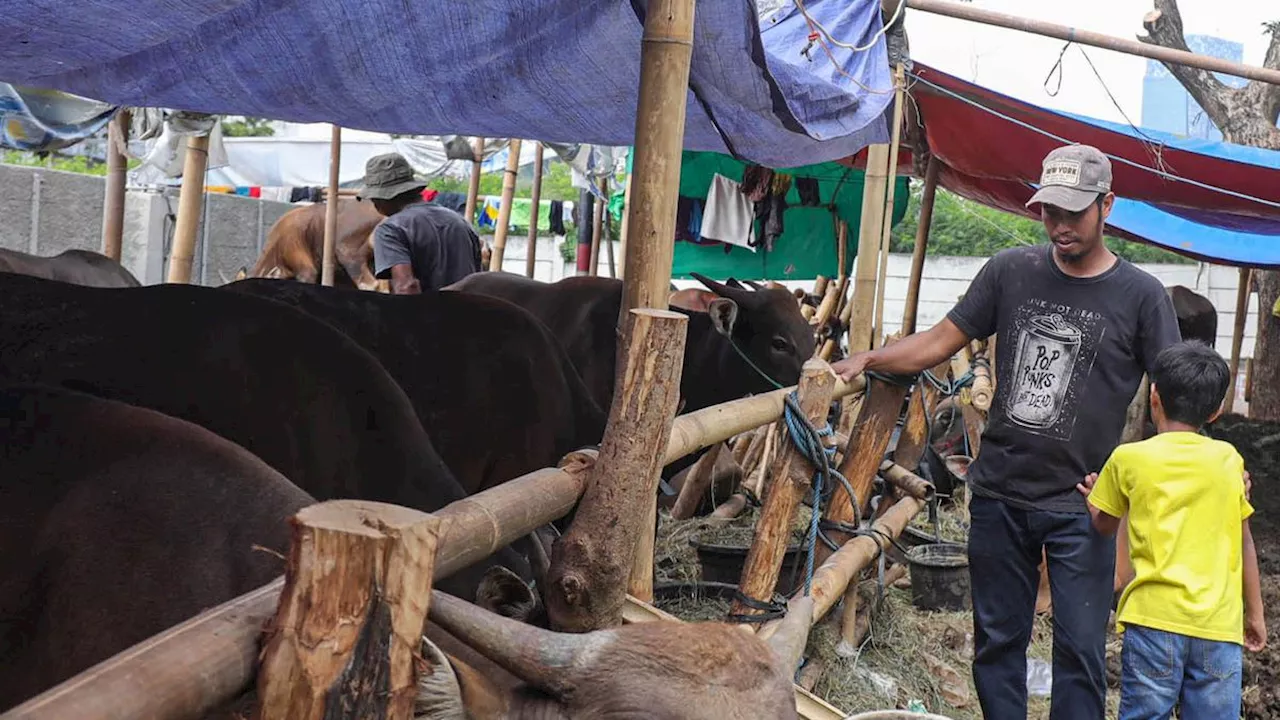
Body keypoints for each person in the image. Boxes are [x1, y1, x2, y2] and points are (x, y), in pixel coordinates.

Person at [831, 144, 1181, 718]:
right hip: (998, 494)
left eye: (1073, 213)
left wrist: (1187, 462)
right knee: (997, 643)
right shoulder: (1009, 271)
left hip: (1085, 503)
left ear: (1107, 206)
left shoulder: (1141, 296)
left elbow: (1173, 394)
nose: (1060, 226)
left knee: (1081, 651)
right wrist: (868, 360)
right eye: (1049, 212)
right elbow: (940, 340)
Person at [1075, 340, 1265, 719]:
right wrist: (1255, 614)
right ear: (1216, 411)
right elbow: (1244, 540)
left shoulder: (1128, 459)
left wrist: (1095, 501)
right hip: (1217, 627)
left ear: (1154, 395)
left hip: (1152, 623)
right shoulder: (1229, 460)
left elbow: (1104, 525)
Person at [359, 153, 483, 294]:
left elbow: (406, 287)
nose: (373, 204)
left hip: (428, 313)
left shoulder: (391, 229)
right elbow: (477, 278)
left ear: (383, 197)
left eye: (373, 198)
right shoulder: (460, 221)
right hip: (469, 312)